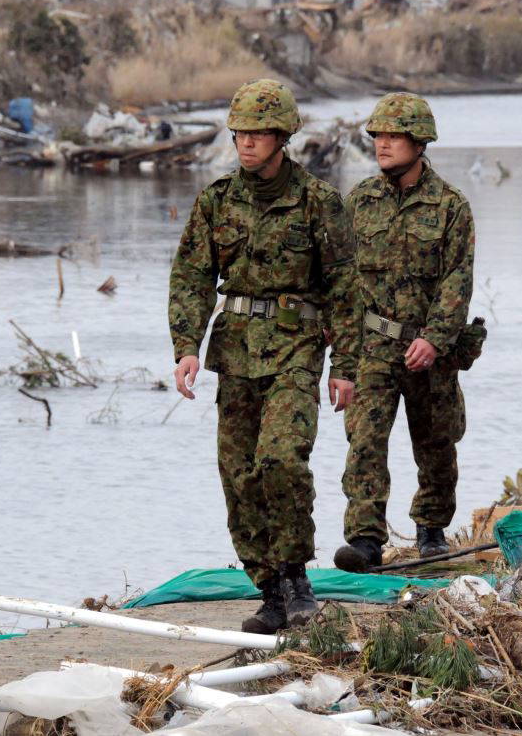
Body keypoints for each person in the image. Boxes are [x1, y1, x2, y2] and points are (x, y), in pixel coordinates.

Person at [168, 79, 360, 634]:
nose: (246, 143)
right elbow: (192, 276)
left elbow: (345, 288)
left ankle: (298, 578)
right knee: (240, 474)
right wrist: (187, 346)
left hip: (297, 350)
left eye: (258, 133)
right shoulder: (217, 200)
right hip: (236, 351)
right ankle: (269, 588)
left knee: (281, 459)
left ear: (283, 138)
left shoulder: (319, 203)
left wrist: (344, 366)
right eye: (240, 133)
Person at [333, 92, 476, 572]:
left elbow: (458, 279)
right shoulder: (360, 203)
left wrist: (434, 338)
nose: (382, 144)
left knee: (436, 441)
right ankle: (365, 538)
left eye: (394, 136)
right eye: (378, 136)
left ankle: (431, 530)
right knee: (365, 440)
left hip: (429, 347)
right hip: (373, 343)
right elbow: (343, 281)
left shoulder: (451, 206)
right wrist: (343, 357)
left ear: (419, 142)